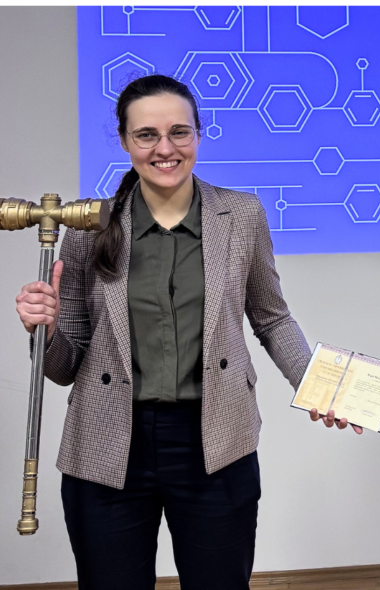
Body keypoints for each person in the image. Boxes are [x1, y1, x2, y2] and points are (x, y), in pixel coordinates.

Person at [14, 74, 360, 590]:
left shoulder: (241, 215)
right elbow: (64, 368)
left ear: (199, 134)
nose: (165, 148)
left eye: (179, 132)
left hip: (214, 442)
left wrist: (319, 385)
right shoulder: (89, 228)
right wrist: (42, 328)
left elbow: (271, 317)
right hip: (107, 443)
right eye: (146, 135)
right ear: (124, 141)